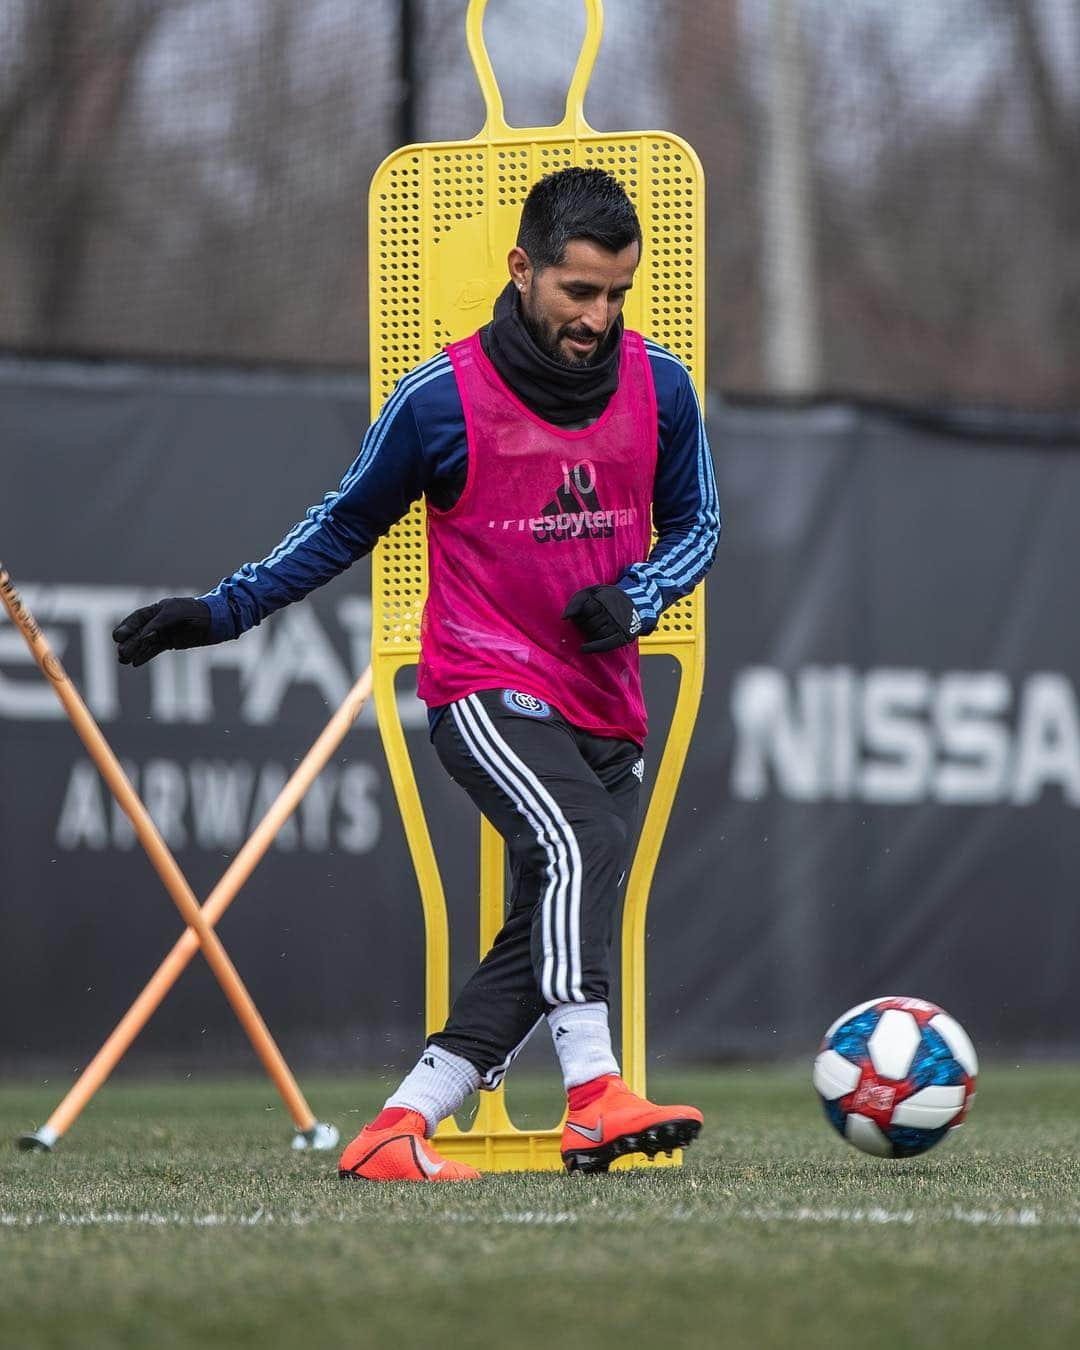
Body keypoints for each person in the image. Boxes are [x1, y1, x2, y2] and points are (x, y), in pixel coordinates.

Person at [113, 167, 720, 1182]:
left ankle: (398, 1126)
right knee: (582, 839)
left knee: (550, 920)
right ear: (523, 268)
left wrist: (643, 594)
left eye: (617, 293)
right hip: (484, 684)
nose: (599, 316)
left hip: (606, 703)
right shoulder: (440, 398)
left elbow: (698, 524)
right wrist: (223, 611)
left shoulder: (662, 385)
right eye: (579, 290)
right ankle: (593, 1094)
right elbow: (343, 522)